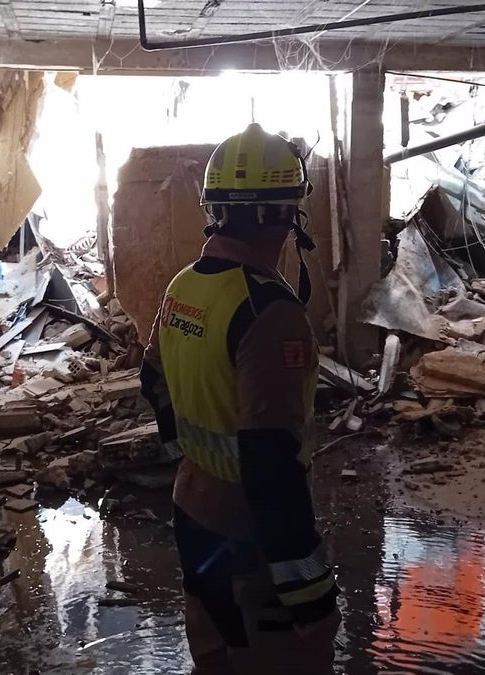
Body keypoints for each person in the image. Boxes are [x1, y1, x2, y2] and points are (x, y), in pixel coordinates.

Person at [140, 123, 340, 674]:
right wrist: (309, 594)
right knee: (280, 655)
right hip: (247, 530)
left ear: (217, 210)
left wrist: (191, 447)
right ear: (286, 215)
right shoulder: (270, 312)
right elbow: (269, 461)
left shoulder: (184, 286)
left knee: (217, 652)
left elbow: (151, 377)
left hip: (191, 508)